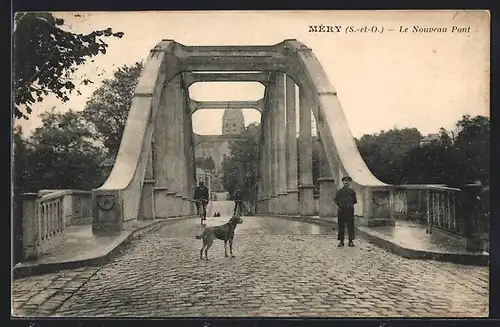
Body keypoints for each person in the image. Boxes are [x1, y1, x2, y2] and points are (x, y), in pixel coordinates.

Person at [334, 176, 357, 247]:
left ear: (350, 182)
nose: (346, 182)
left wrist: (349, 205)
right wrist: (341, 205)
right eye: (345, 181)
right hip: (341, 210)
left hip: (349, 210)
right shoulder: (339, 191)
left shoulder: (352, 191)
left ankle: (351, 241)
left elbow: (354, 201)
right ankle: (341, 241)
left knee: (350, 225)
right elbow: (336, 200)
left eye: (348, 181)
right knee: (341, 225)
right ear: (343, 182)